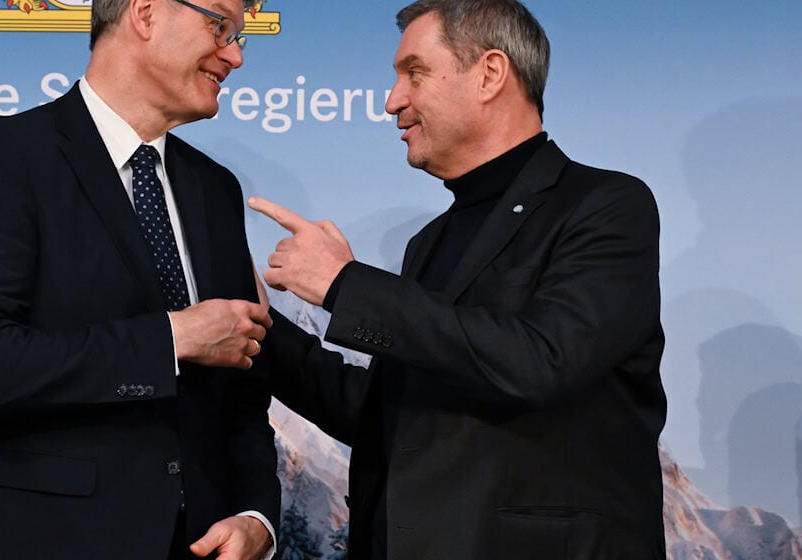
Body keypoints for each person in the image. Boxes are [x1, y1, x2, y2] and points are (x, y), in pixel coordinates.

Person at [249, 0, 666, 558]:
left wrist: (345, 285)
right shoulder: (430, 242)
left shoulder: (607, 206)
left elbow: (545, 360)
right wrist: (259, 325)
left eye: (414, 73)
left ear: (490, 73)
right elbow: (385, 414)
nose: (392, 100)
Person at [0, 0, 280, 558]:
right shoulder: (3, 155)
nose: (234, 55)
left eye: (240, 36)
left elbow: (244, 389)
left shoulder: (216, 190)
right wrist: (173, 339)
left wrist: (257, 514)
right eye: (220, 26)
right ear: (145, 13)